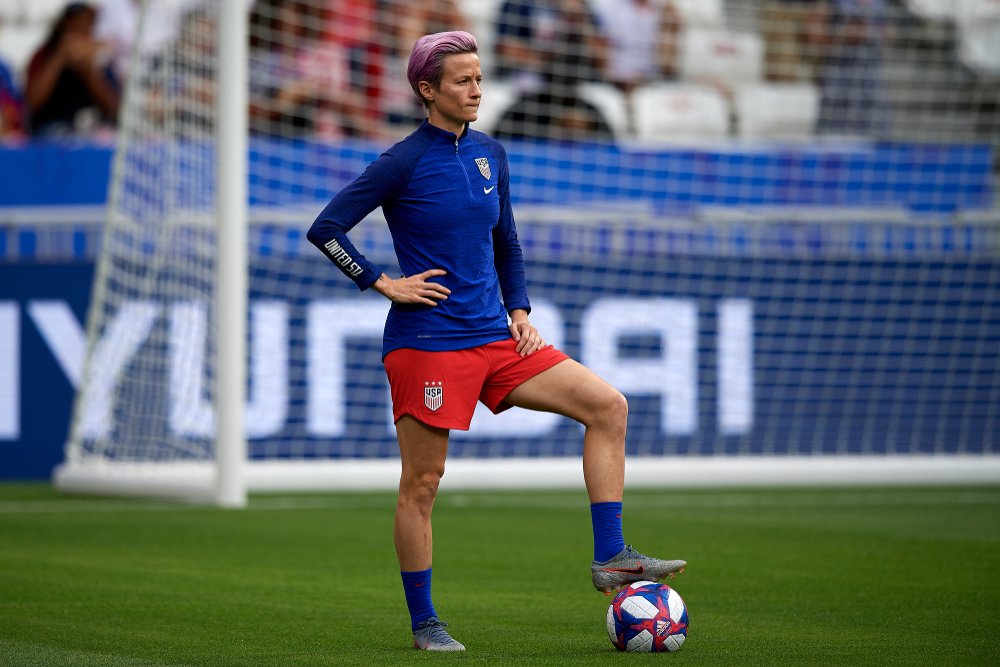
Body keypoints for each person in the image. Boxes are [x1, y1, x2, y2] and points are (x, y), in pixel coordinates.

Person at [306, 31, 685, 651]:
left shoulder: (490, 153)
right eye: (462, 80)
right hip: (427, 343)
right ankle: (425, 622)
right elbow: (326, 229)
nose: (475, 90)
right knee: (422, 485)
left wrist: (519, 309)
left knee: (608, 406)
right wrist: (382, 283)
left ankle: (612, 556)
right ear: (427, 90)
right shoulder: (401, 161)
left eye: (479, 78)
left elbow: (505, 243)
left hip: (496, 338)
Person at [25, 3, 120, 137]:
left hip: (93, 130)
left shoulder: (99, 57)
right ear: (64, 25)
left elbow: (114, 107)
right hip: (51, 132)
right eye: (74, 26)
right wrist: (59, 58)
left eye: (85, 26)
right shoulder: (44, 55)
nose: (79, 31)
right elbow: (31, 103)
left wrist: (88, 71)